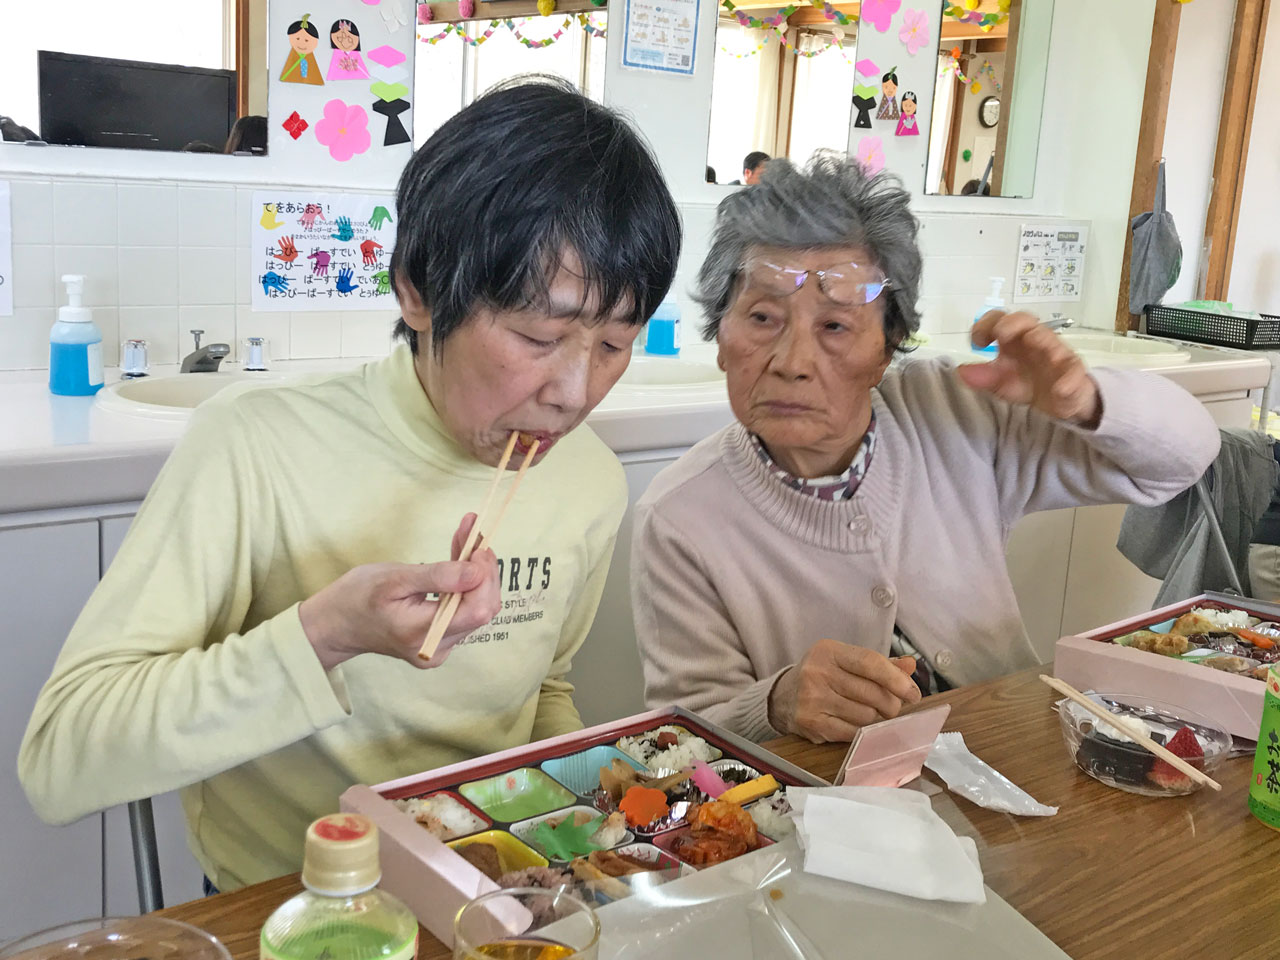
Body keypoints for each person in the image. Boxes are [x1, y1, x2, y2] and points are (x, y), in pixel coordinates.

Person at [19, 78, 681, 892]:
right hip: (287, 902)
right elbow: (61, 760)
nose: (576, 394)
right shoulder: (257, 444)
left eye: (615, 346)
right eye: (538, 335)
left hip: (497, 896)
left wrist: (586, 809)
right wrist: (324, 634)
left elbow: (544, 691)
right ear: (417, 291)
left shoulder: (589, 480)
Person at [630, 154, 1219, 744]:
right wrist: (775, 704)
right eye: (761, 316)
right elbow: (682, 742)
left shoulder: (951, 412)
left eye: (835, 326)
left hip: (1009, 758)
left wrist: (1083, 398)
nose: (792, 362)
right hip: (826, 811)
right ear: (720, 338)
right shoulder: (681, 514)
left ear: (886, 351)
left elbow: (1186, 455)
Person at [279, 14, 325, 85]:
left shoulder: (310, 57)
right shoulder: (294, 54)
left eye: (306, 40)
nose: (301, 44)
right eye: (297, 39)